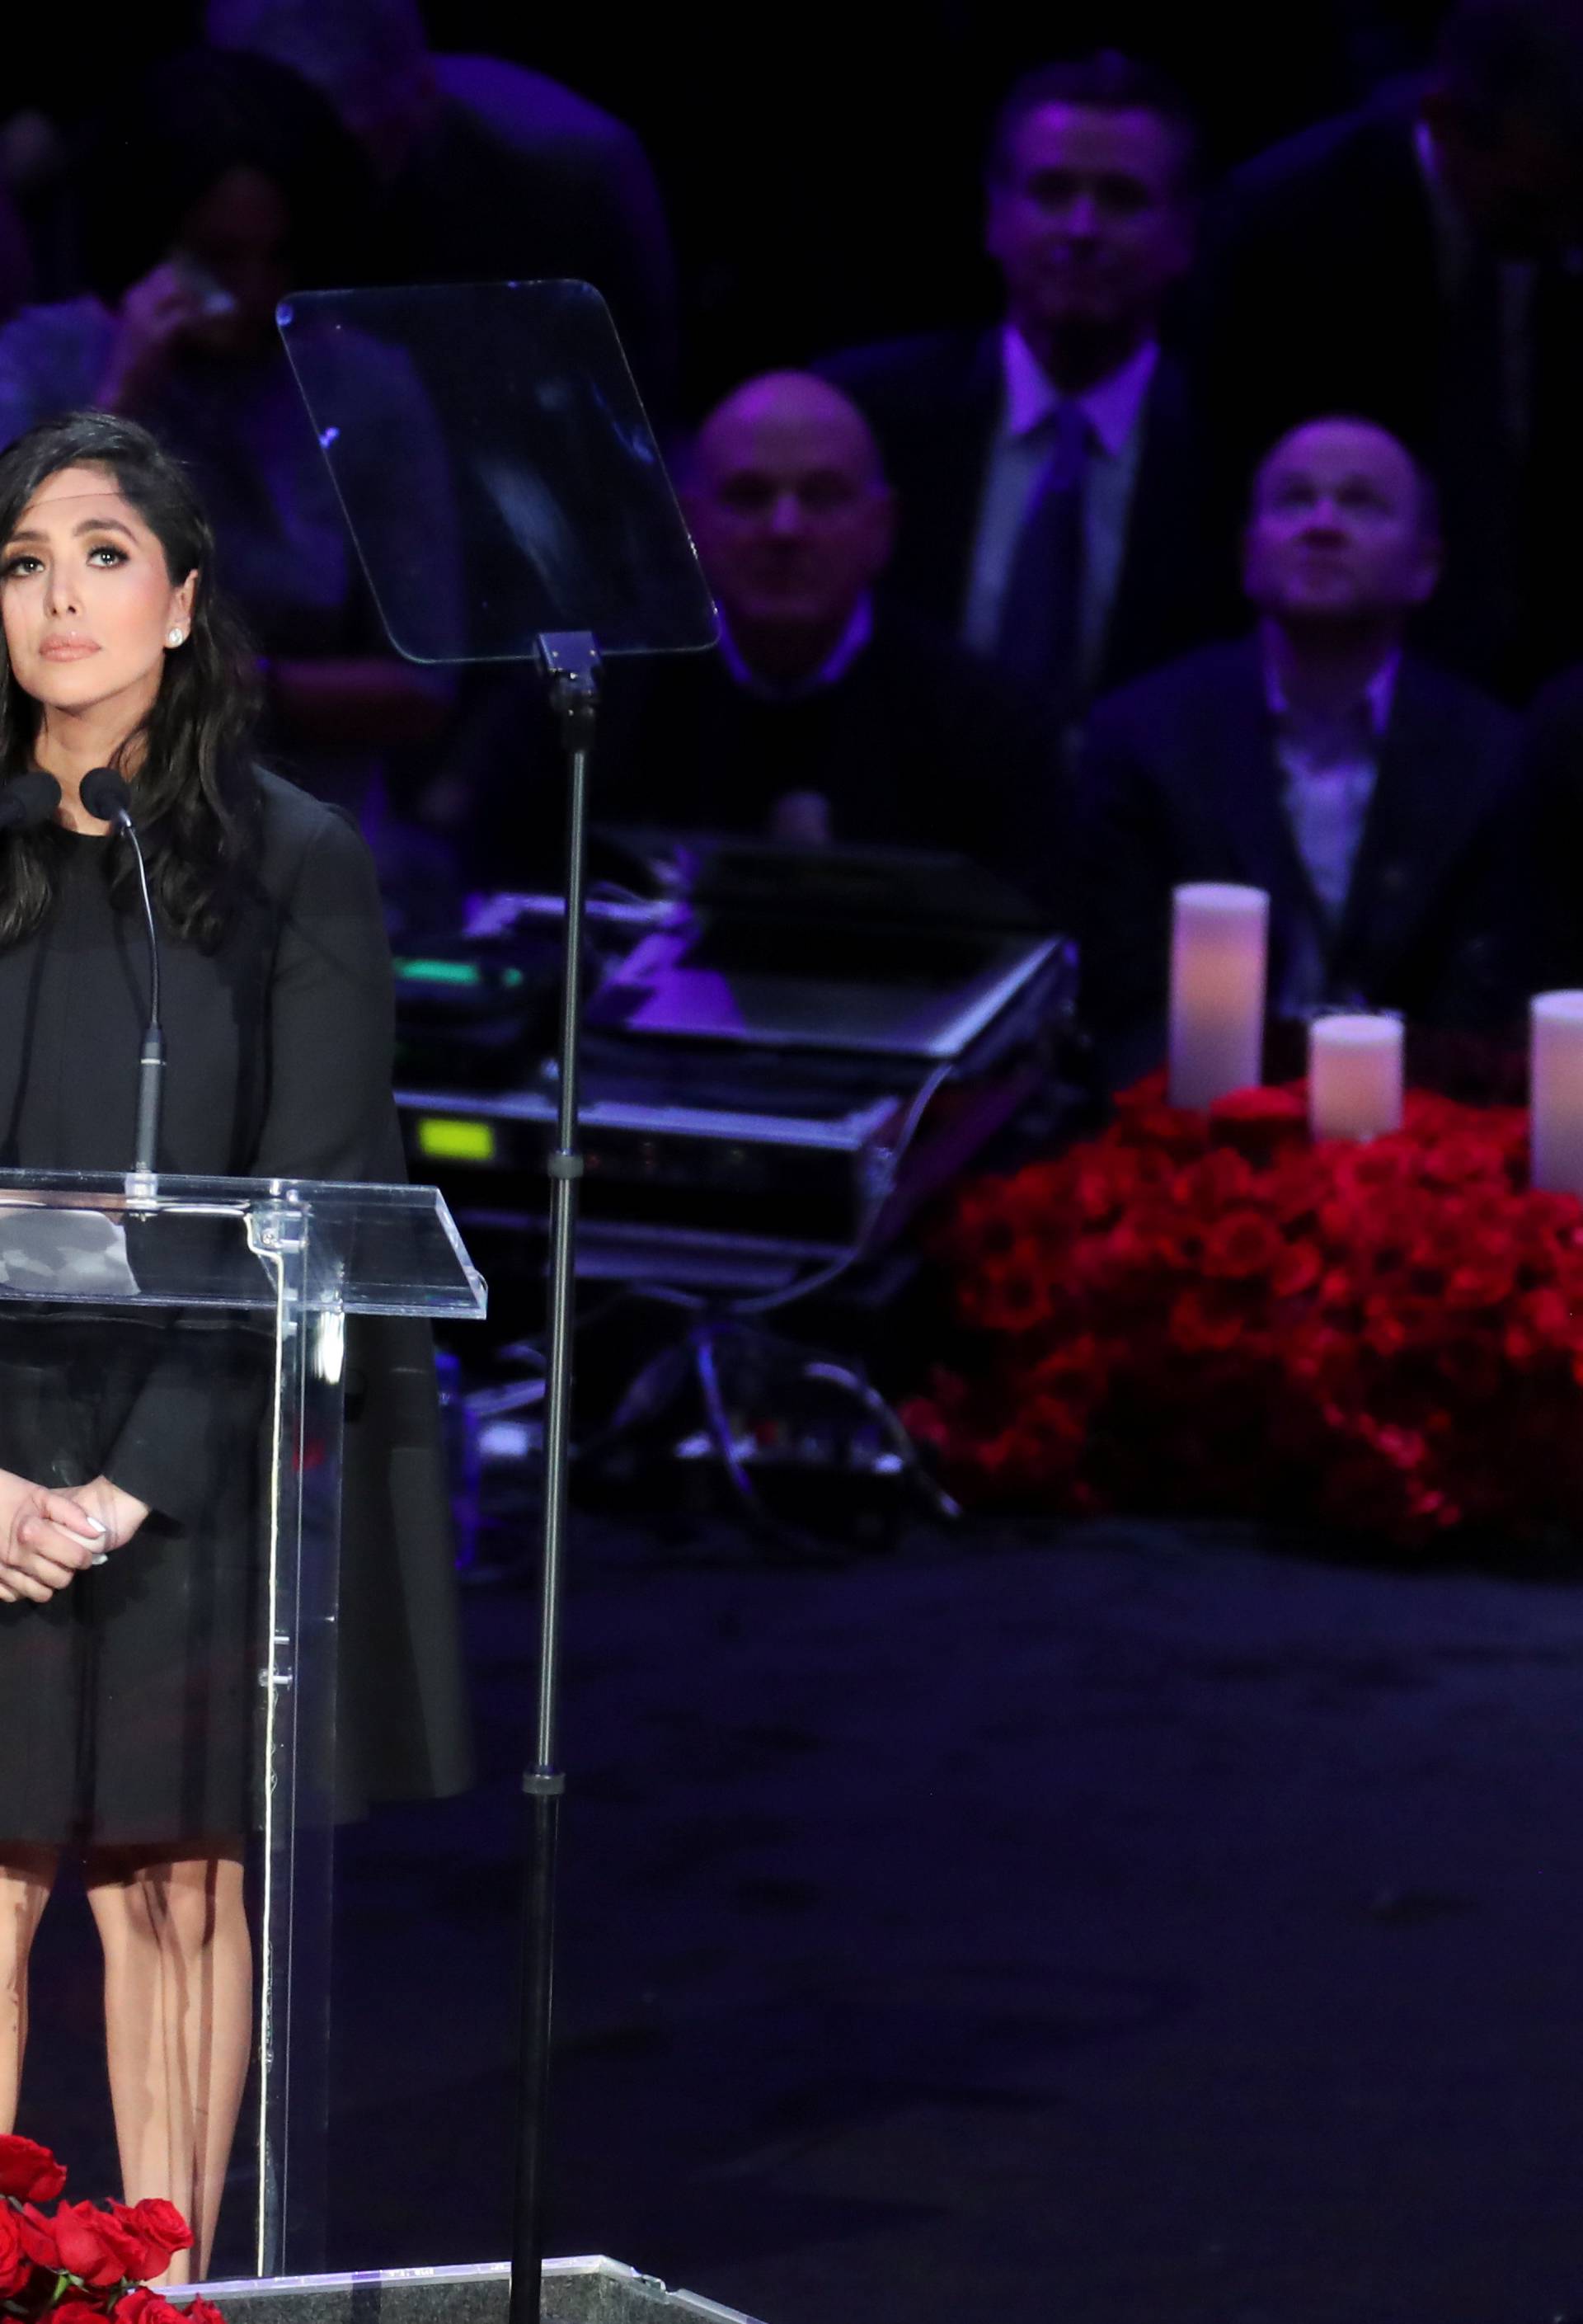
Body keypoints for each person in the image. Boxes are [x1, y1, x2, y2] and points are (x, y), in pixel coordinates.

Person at [0, 409, 470, 2273]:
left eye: (104, 553)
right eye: (24, 558)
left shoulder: (295, 866)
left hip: (190, 1453)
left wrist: (127, 1490)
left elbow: (321, 1191)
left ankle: (163, 2292)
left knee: (165, 1880)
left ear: (186, 600)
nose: (58, 597)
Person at [0, 49, 458, 873]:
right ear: (150, 240)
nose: (251, 292)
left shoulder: (363, 388)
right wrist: (122, 404)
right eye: (218, 258)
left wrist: (226, 686)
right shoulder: (44, 364)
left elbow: (425, 682)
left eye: (276, 258)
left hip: (302, 841)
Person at [426, 372, 1071, 915]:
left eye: (821, 497)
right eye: (748, 496)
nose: (785, 529)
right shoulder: (575, 704)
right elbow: (498, 915)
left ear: (882, 529)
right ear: (692, 525)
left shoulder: (991, 729)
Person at [1080, 416, 1523, 1081]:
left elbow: (1483, 1009)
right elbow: (1121, 1006)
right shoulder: (1143, 735)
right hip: (1190, 1132)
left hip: (1424, 1142)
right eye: (1293, 500)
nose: (1322, 524)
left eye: (1361, 503)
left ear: (1426, 567)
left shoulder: (1495, 758)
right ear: (1247, 551)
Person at [818, 54, 1231, 732]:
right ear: (995, 216)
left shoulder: (1231, 450)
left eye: (1121, 199)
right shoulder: (867, 421)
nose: (1081, 230)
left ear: (1183, 234)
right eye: (1052, 193)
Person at [1194, 0, 1583, 695]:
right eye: (1531, 204)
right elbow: (1226, 499)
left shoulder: (1560, 226)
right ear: (1443, 124)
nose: (1565, 238)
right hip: (1325, 671)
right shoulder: (1286, 231)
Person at [204, 0, 679, 411]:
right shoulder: (195, 160)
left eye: (341, 152)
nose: (315, 188)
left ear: (422, 101)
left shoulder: (571, 174)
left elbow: (640, 407)